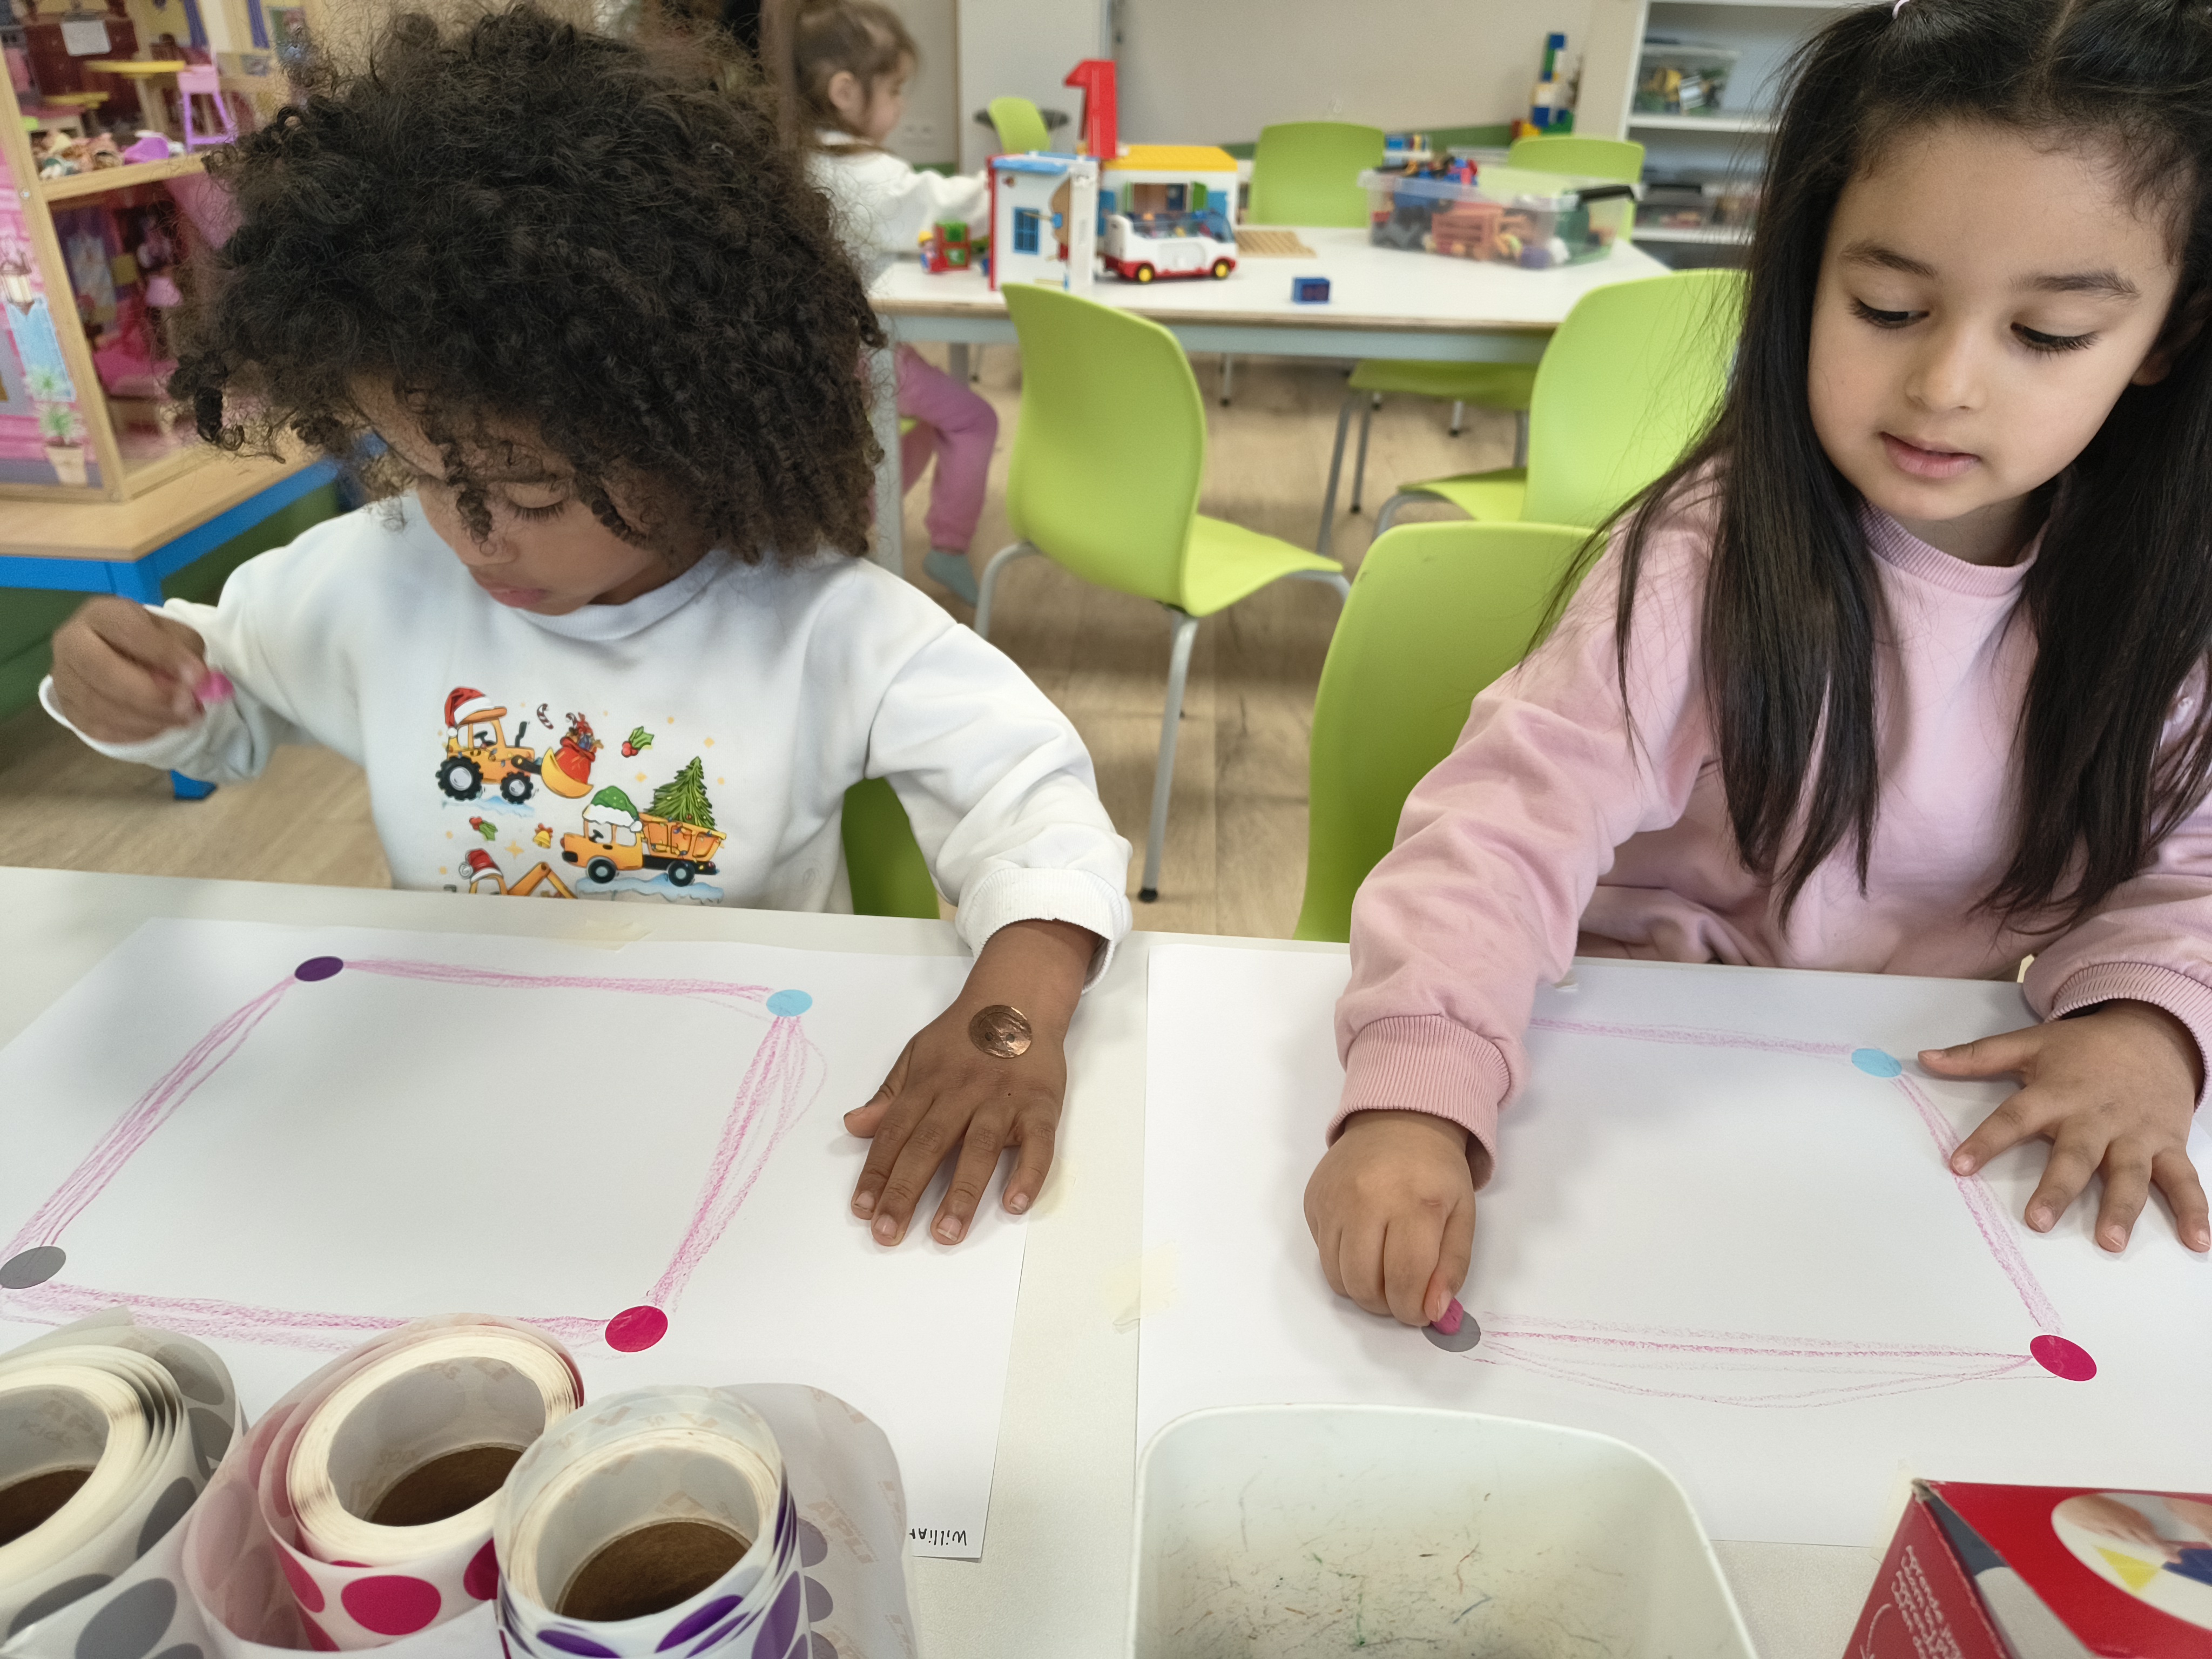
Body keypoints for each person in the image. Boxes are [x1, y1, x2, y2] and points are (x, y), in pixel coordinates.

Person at [43, 4, 1131, 1255]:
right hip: (457, 1105)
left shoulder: (824, 625)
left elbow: (1036, 807)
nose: (474, 539)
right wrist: (138, 683)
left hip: (740, 1108)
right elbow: (221, 709)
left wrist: (1007, 1021)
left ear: (699, 431)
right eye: (422, 472)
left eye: (534, 493)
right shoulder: (374, 578)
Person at [1306, 0, 2212, 1330]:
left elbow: (2188, 867)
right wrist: (1414, 1093)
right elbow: (1499, 833)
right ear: (1806, 273)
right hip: (1622, 1056)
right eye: (1887, 306)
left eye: (2046, 335)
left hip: (1899, 1104)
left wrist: (2147, 1022)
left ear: (2164, 339)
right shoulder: (1701, 560)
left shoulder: (2165, 601)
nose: (1944, 383)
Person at [767, 0, 998, 603]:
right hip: (862, 355)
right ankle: (947, 545)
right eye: (894, 90)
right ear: (845, 92)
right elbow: (945, 206)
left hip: (809, 349)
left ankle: (853, 525)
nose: (901, 107)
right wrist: (1009, 183)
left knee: (907, 432)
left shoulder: (796, 154)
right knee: (975, 420)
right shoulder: (865, 174)